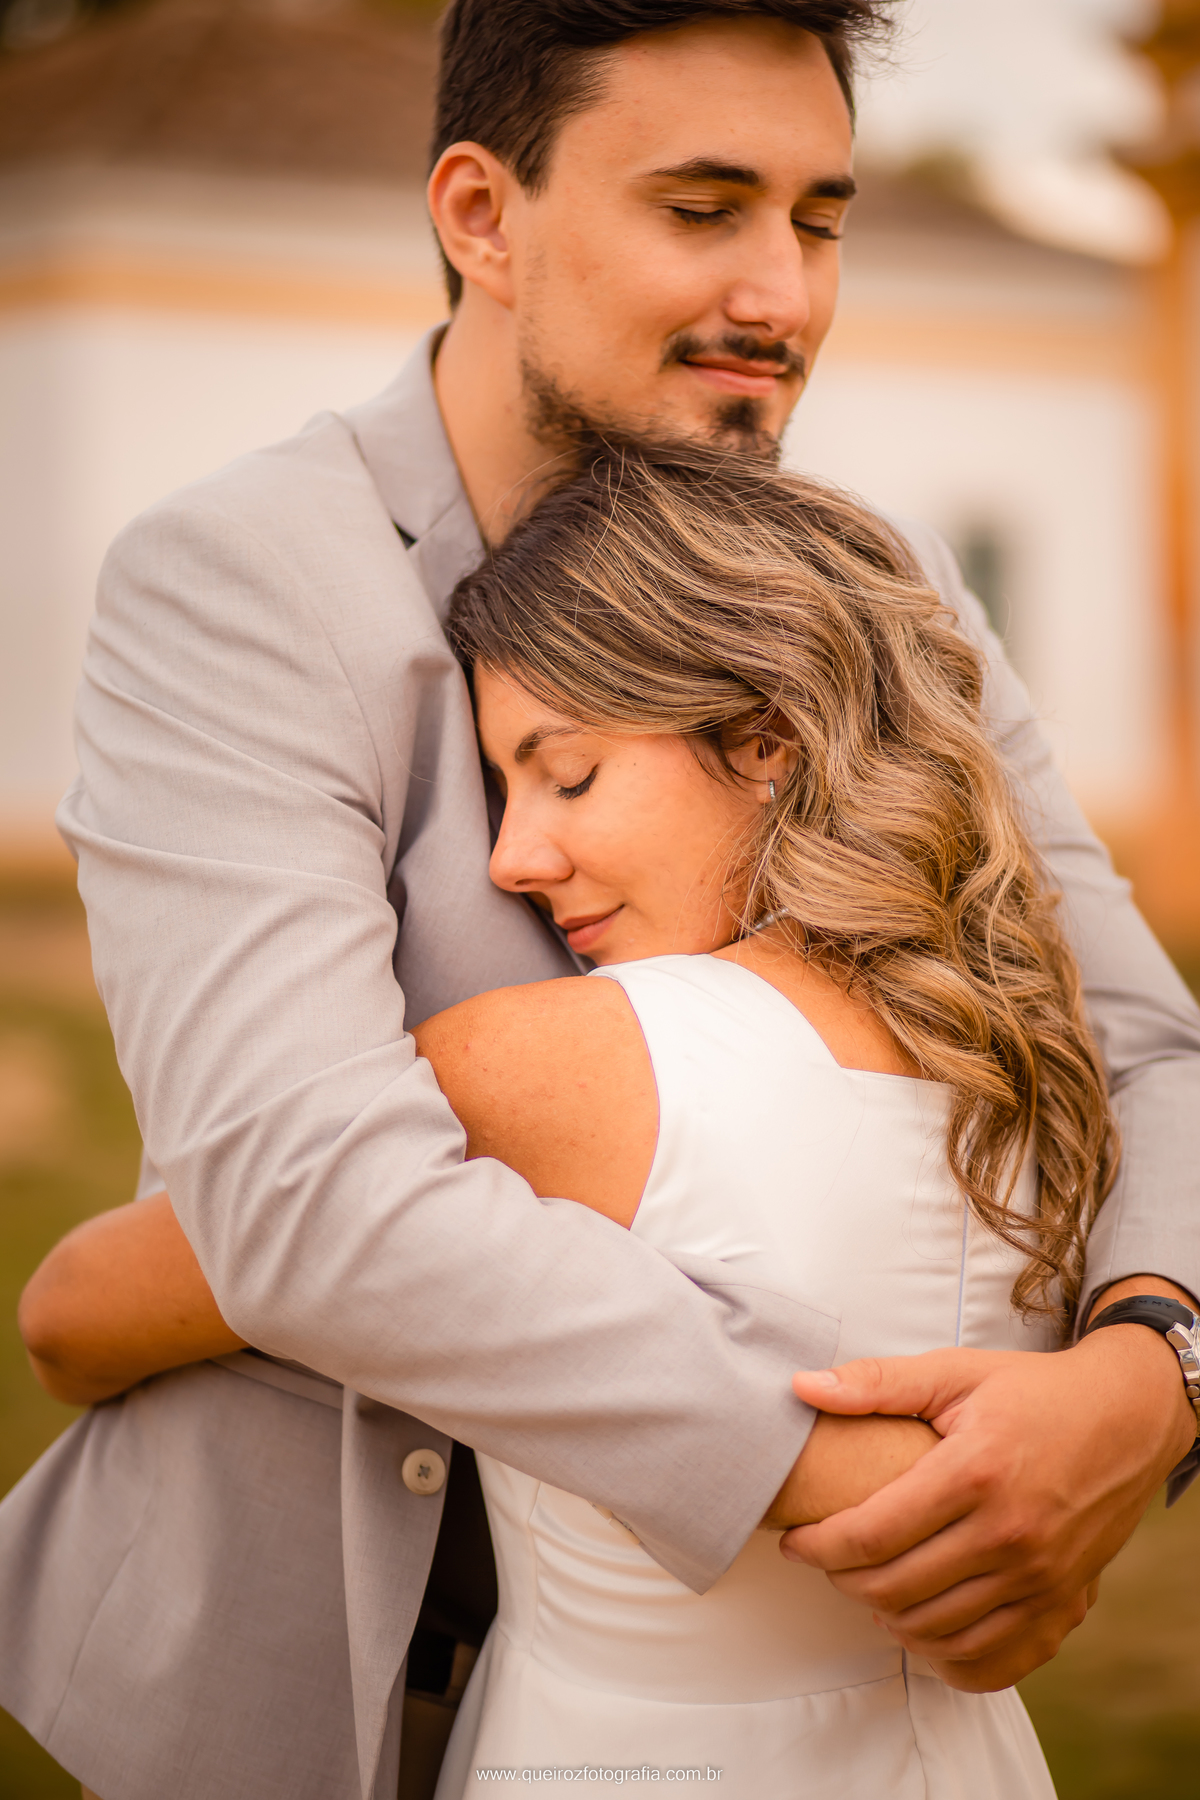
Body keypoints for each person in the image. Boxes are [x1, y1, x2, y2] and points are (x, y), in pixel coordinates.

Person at [2, 2, 1199, 1797]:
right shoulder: (237, 579)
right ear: (483, 214)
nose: (783, 296)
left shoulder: (881, 579)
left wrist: (1151, 1366)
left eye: (818, 217)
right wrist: (865, 1485)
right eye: (701, 207)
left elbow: (1145, 1042)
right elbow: (307, 1199)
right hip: (322, 1658)